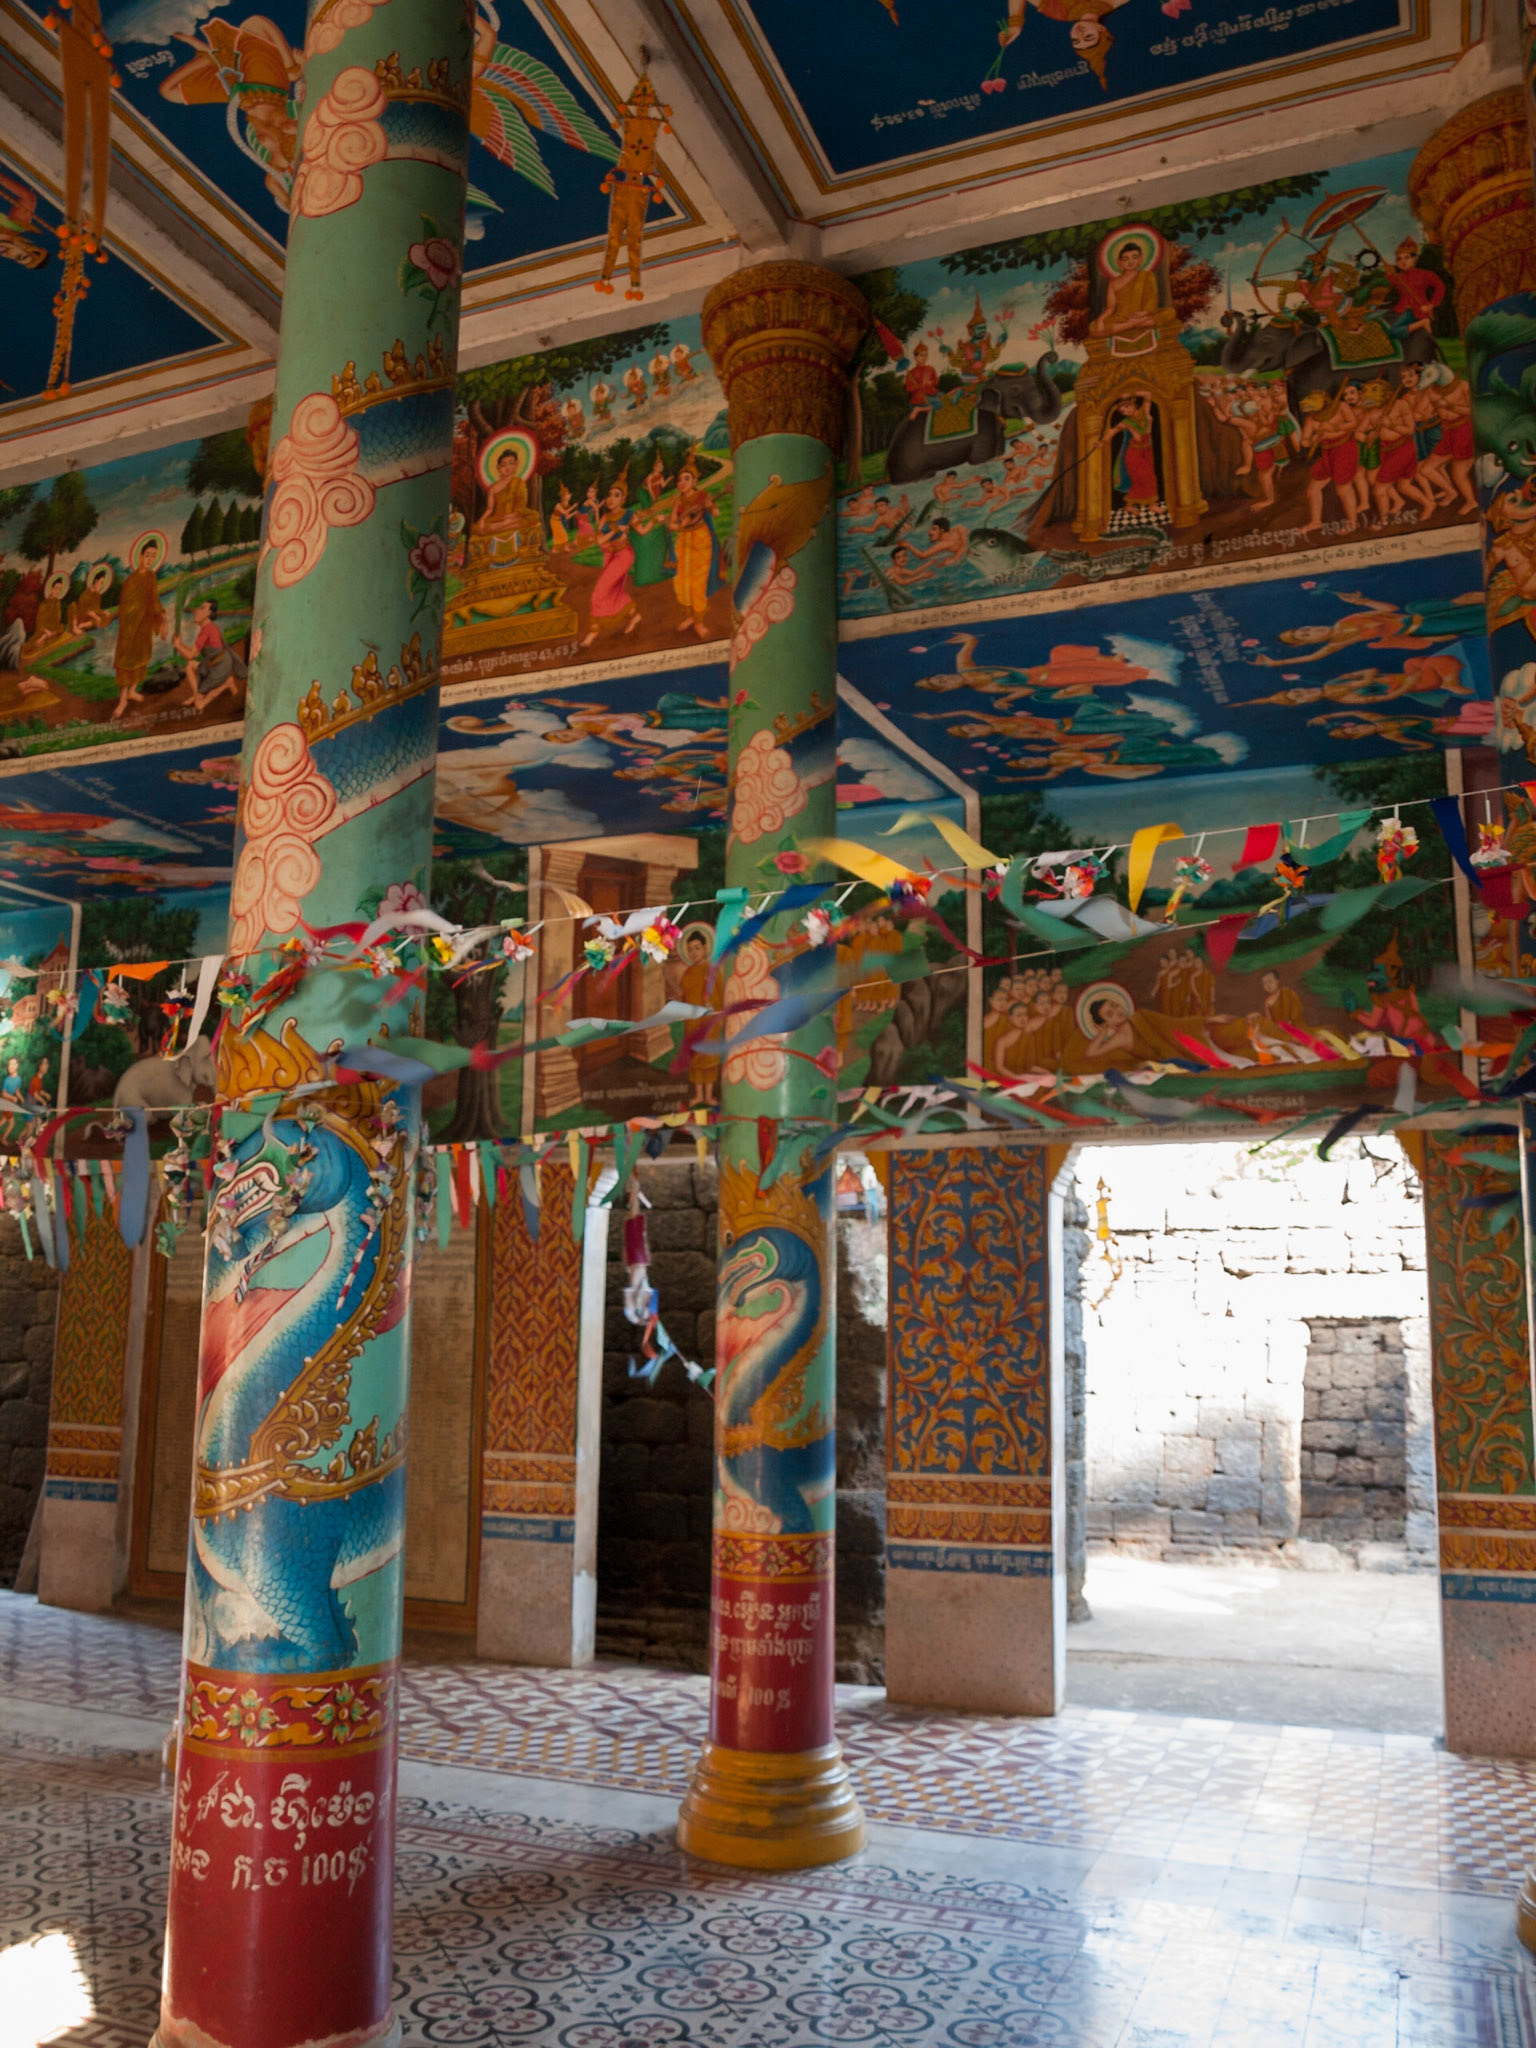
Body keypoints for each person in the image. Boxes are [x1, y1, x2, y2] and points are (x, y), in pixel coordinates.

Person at [578, 480, 641, 647]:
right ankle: (634, 615)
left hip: (624, 556)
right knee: (614, 590)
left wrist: (656, 521)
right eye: (610, 495)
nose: (612, 499)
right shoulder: (605, 517)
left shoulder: (629, 514)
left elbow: (641, 531)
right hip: (609, 556)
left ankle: (593, 632)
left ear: (623, 499)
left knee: (598, 592)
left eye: (617, 495)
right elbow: (599, 541)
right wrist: (615, 530)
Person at [667, 459, 721, 638]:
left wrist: (710, 506)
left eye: (687, 478)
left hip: (700, 539)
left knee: (697, 582)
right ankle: (690, 616)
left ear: (695, 481)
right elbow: (672, 525)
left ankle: (699, 622)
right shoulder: (678, 501)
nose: (682, 483)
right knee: (682, 581)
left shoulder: (702, 495)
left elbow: (716, 513)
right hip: (683, 541)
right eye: (680, 479)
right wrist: (682, 525)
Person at [113, 537, 166, 717]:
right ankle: (122, 700)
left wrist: (161, 617)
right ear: (140, 556)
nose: (150, 559)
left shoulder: (152, 576)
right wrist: (135, 616)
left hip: (143, 626)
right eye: (147, 555)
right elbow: (125, 607)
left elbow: (154, 599)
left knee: (141, 659)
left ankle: (133, 690)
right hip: (129, 628)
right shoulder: (130, 581)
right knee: (125, 662)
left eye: (153, 556)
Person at [175, 597, 248, 712]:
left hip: (219, 668)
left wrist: (178, 646)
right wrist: (181, 644)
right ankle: (197, 695)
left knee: (199, 706)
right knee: (190, 666)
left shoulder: (207, 630)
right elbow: (195, 650)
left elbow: (191, 655)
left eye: (202, 608)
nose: (196, 611)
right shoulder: (206, 629)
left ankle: (226, 684)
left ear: (208, 613)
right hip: (212, 664)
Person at [1092, 241, 1159, 348]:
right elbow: (1110, 308)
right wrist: (1100, 320)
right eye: (1125, 259)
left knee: (1170, 312)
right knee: (1093, 327)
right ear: (1119, 263)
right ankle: (1133, 324)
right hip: (1123, 317)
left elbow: (1152, 300)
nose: (1130, 261)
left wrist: (1144, 313)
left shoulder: (1147, 276)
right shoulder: (1113, 282)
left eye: (1134, 257)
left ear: (1140, 260)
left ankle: (1132, 323)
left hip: (1143, 315)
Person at [1109, 394, 1160, 508]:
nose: (1126, 412)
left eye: (1127, 407)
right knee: (1145, 478)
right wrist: (1102, 442)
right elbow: (1113, 431)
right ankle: (1152, 505)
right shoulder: (1126, 422)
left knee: (1148, 478)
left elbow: (1148, 394)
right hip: (1133, 454)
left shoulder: (1144, 412)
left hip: (1147, 451)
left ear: (1132, 404)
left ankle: (1131, 505)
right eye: (1123, 411)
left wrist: (1131, 393)